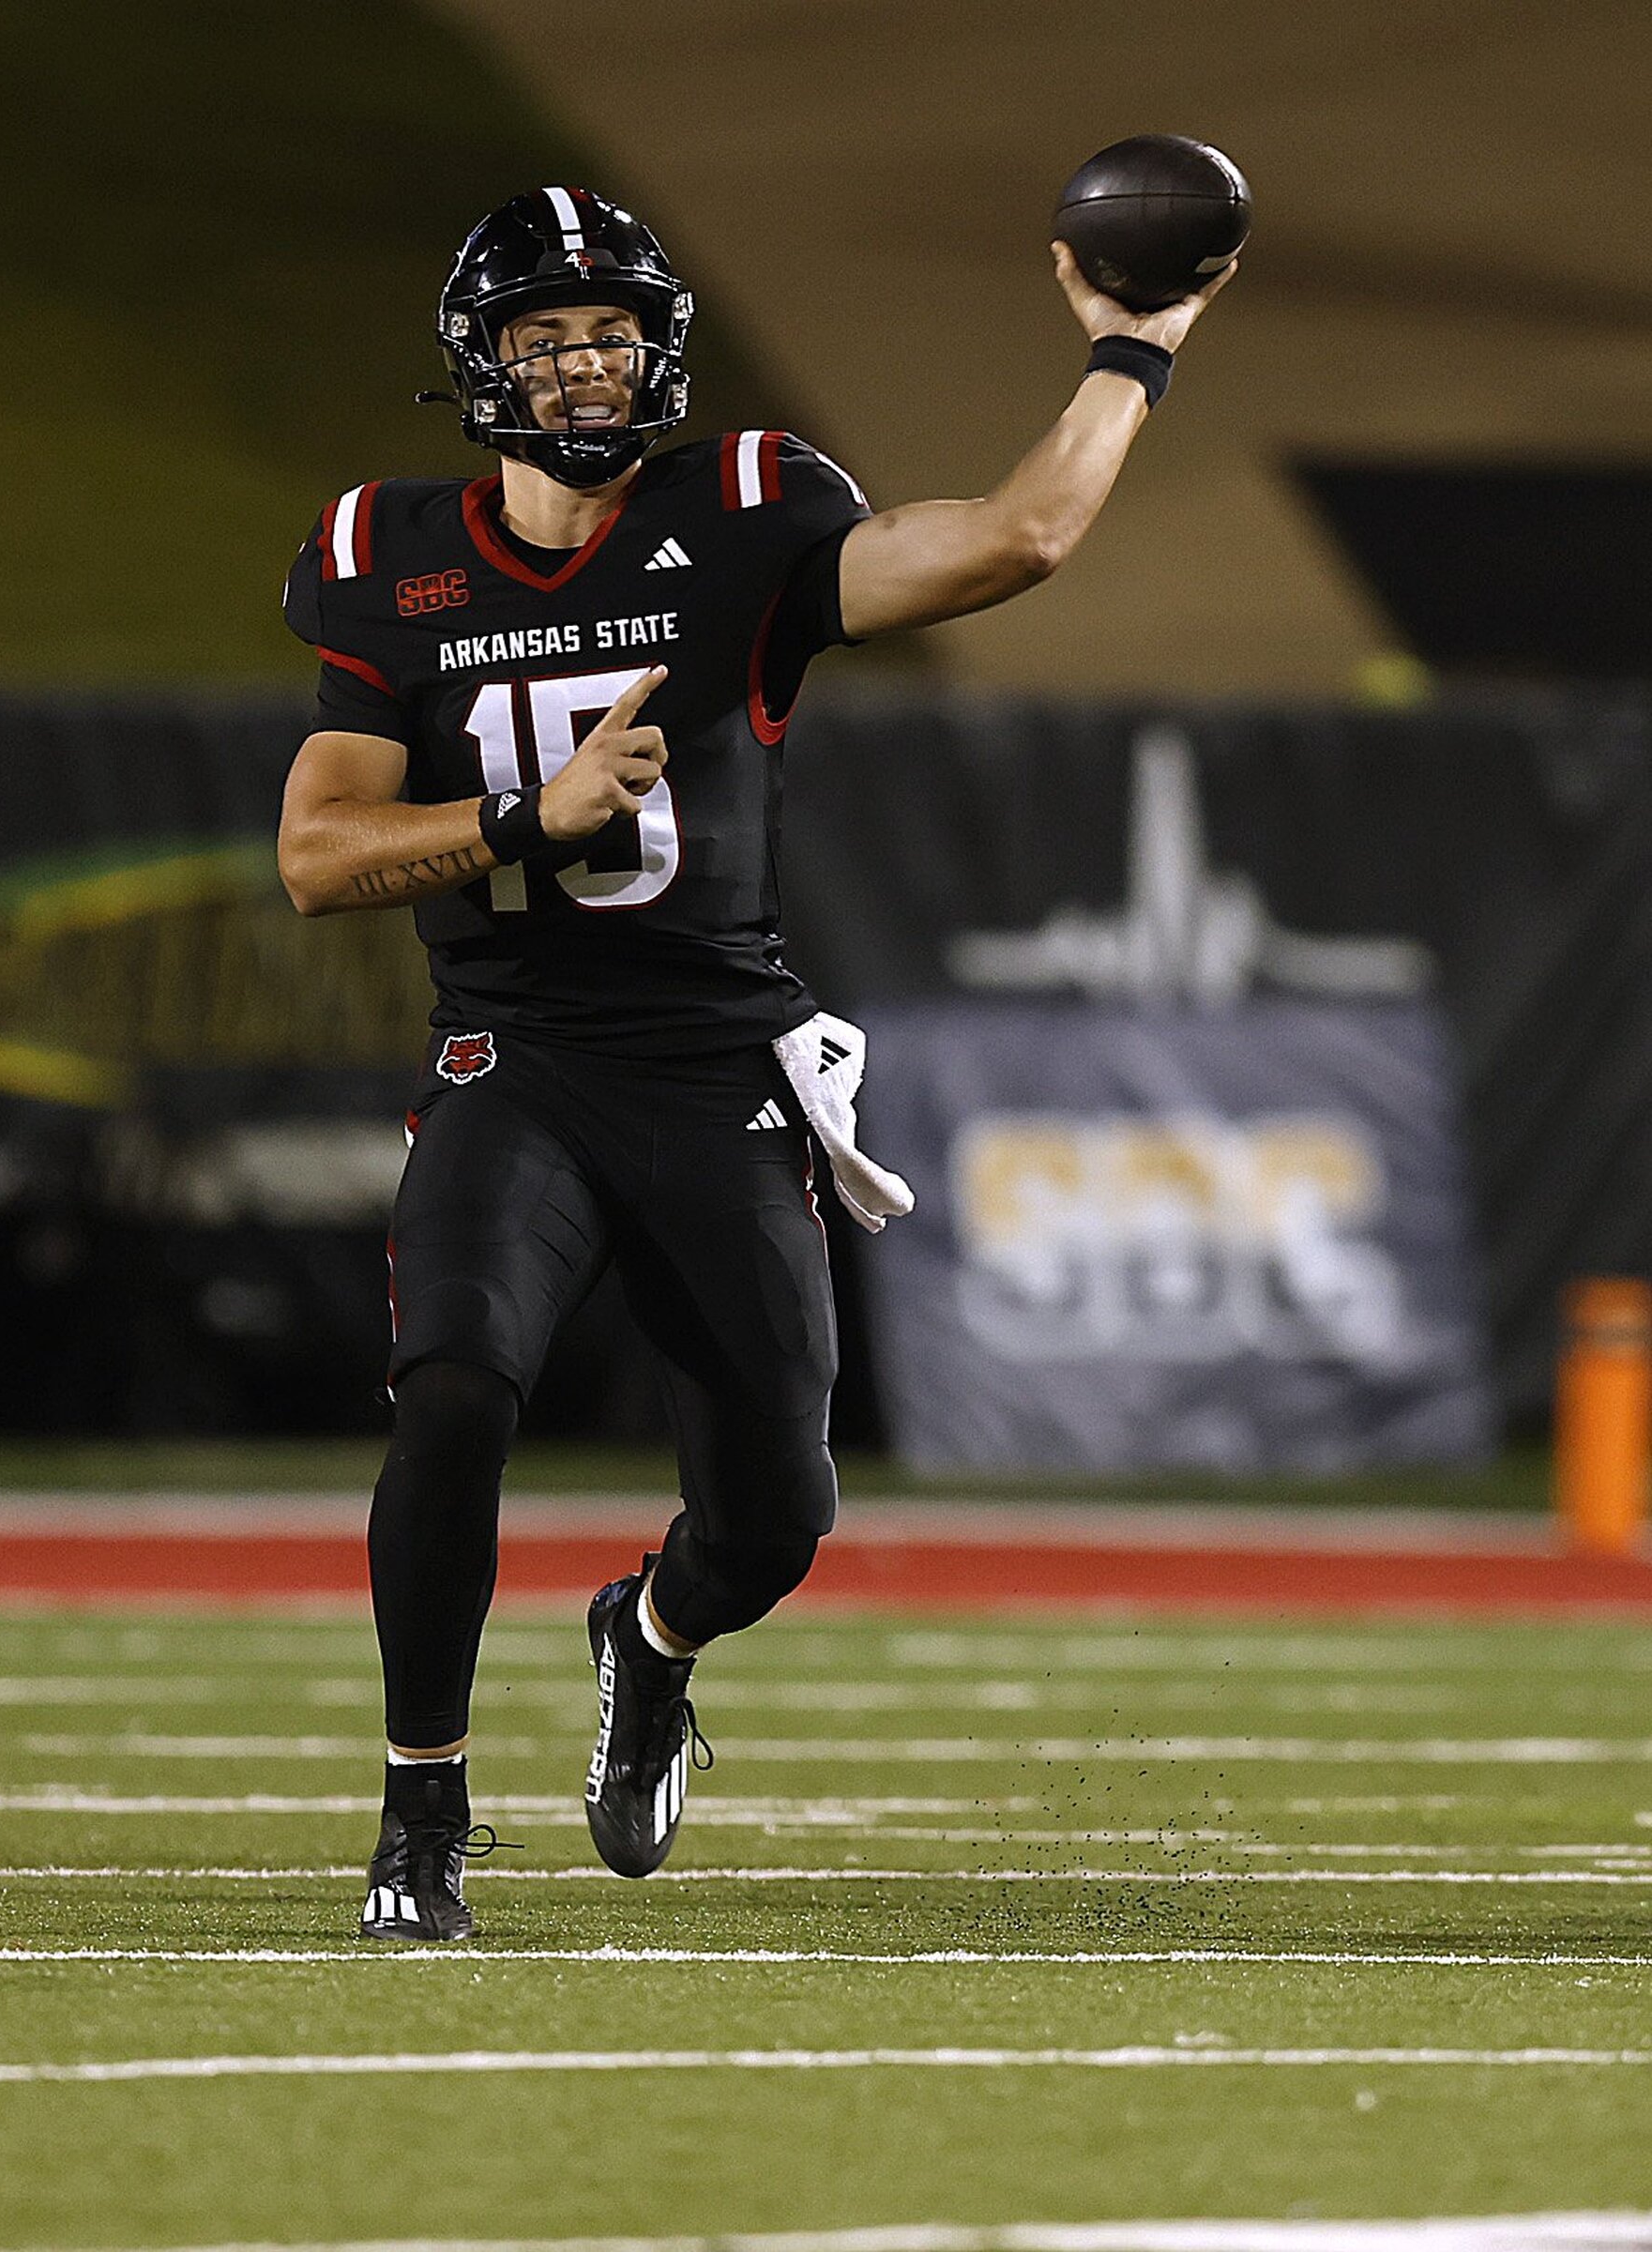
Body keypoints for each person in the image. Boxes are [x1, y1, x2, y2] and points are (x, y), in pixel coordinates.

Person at [278, 185, 1230, 1940]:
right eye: (546, 338)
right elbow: (318, 855)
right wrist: (516, 821)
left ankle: (648, 1639)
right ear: (479, 362)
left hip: (717, 1068)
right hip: (516, 1059)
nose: (585, 367)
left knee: (780, 1512)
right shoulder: (383, 551)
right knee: (456, 1392)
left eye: (612, 333)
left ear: (663, 347)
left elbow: (1016, 540)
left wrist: (1135, 346)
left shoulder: (743, 510)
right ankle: (422, 1815)